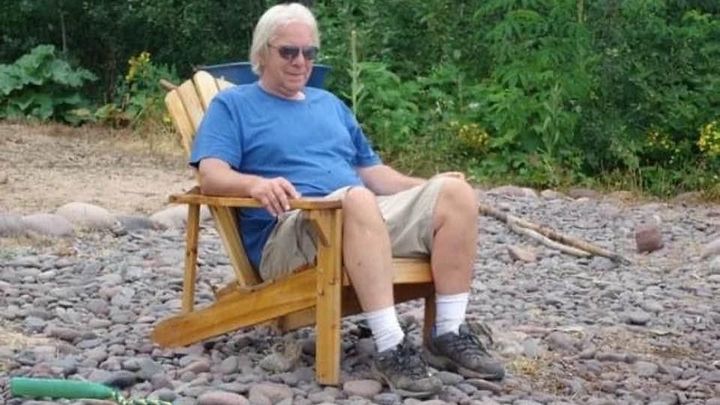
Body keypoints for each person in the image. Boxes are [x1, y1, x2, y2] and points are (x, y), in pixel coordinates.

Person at [190, 2, 504, 398]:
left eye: (309, 52)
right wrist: (254, 184)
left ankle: (448, 333)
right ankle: (390, 346)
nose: (300, 61)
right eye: (288, 51)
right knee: (355, 199)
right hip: (292, 229)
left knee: (455, 194)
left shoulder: (330, 104)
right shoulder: (232, 105)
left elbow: (374, 173)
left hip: (359, 216)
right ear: (262, 53)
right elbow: (210, 173)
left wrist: (429, 184)